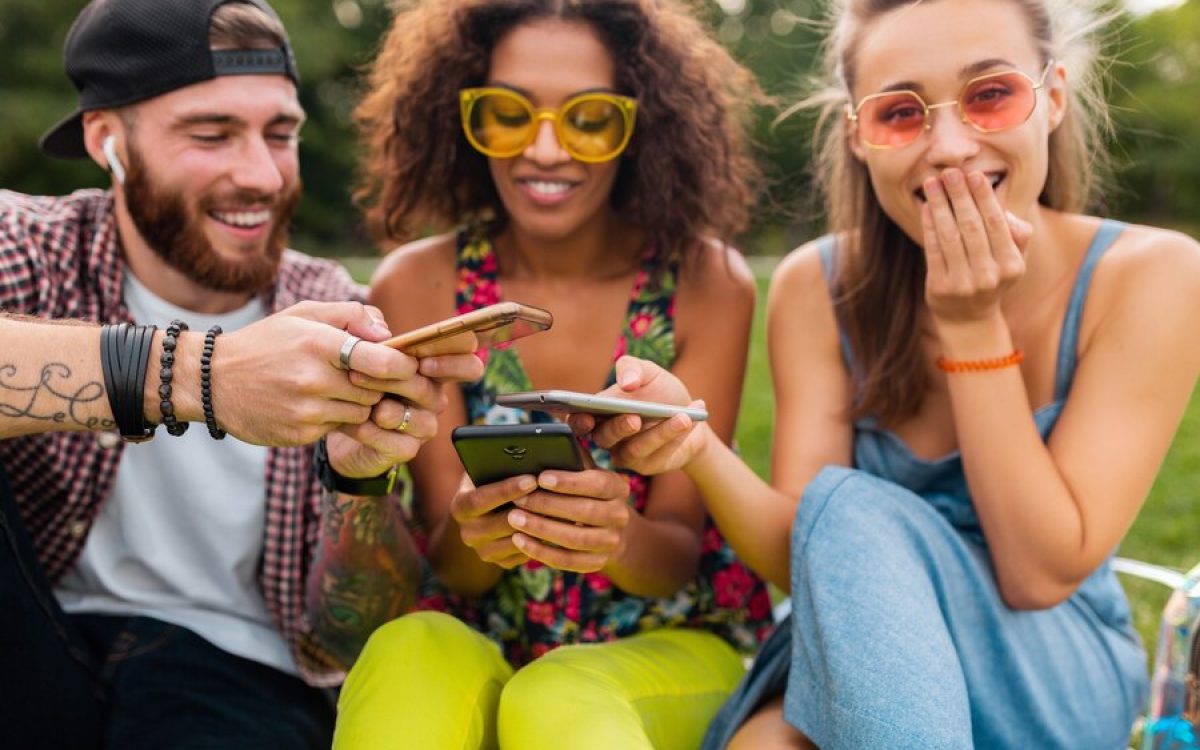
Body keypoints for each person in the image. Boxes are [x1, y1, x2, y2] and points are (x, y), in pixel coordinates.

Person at [579, 0, 1200, 747]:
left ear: (1054, 97)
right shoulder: (819, 283)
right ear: (858, 137)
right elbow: (807, 556)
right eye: (901, 113)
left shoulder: (1153, 274)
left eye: (991, 94)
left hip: (1049, 671)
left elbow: (1040, 575)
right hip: (865, 658)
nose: (948, 146)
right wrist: (694, 443)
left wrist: (973, 326)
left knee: (853, 507)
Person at [0, 1, 481, 748]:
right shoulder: (30, 247)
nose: (260, 175)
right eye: (211, 134)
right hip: (35, 640)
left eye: (280, 134)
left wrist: (360, 485)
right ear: (108, 141)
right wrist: (206, 374)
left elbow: (355, 640)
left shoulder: (344, 316)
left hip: (237, 674)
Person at [332, 0, 774, 747]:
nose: (542, 150)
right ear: (462, 119)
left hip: (664, 640)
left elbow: (674, 555)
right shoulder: (416, 284)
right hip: (483, 628)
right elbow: (448, 563)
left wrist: (613, 535)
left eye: (588, 118)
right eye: (507, 114)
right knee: (406, 652)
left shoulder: (706, 282)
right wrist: (481, 532)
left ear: (640, 128)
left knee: (560, 696)